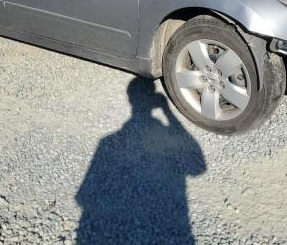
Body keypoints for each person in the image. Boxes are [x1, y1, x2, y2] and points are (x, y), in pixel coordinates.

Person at [76, 78, 206, 244]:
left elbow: (84, 196)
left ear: (130, 100)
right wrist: (168, 112)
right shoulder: (108, 142)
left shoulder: (107, 142)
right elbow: (197, 167)